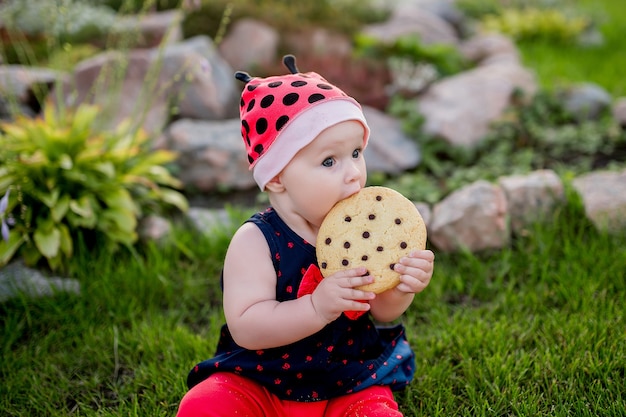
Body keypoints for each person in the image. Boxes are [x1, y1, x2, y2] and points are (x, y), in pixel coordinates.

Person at [176, 55, 435, 417]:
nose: (353, 175)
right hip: (263, 380)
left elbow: (380, 310)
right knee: (205, 405)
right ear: (278, 177)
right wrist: (316, 307)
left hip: (348, 377)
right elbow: (247, 327)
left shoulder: (365, 235)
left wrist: (401, 286)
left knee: (373, 411)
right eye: (329, 161)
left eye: (356, 153)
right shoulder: (256, 241)